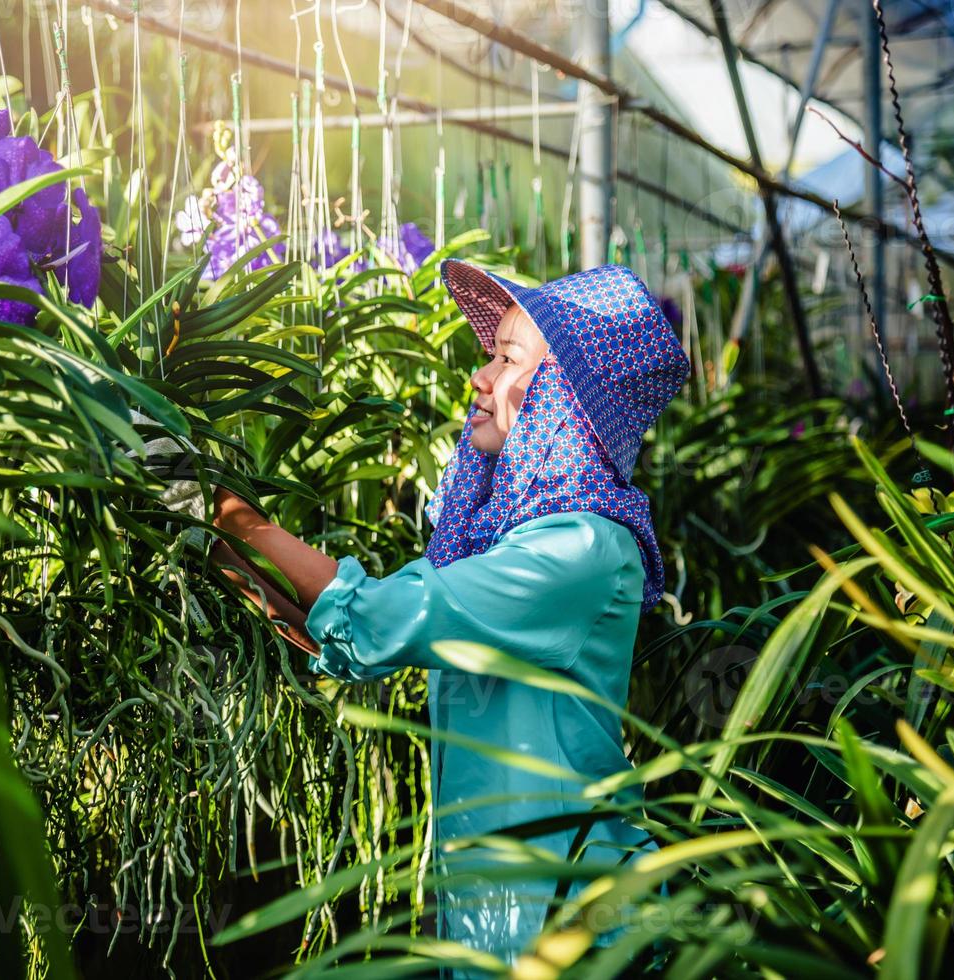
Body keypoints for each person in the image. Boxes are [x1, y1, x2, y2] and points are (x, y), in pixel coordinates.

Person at [137, 259, 689, 973]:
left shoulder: (578, 549)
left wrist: (230, 514)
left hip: (570, 919)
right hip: (503, 914)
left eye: (507, 359)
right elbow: (343, 629)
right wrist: (211, 540)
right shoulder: (521, 537)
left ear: (565, 398)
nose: (480, 380)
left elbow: (385, 613)